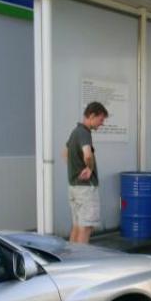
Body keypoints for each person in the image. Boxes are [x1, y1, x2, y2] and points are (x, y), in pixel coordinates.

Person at [63, 101, 108, 244]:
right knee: (86, 228)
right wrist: (89, 168)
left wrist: (75, 168)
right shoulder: (84, 133)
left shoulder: (75, 132)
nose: (102, 123)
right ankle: (82, 262)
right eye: (101, 119)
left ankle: (70, 261)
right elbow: (87, 154)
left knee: (77, 226)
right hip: (85, 189)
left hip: (74, 186)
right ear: (92, 115)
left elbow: (65, 153)